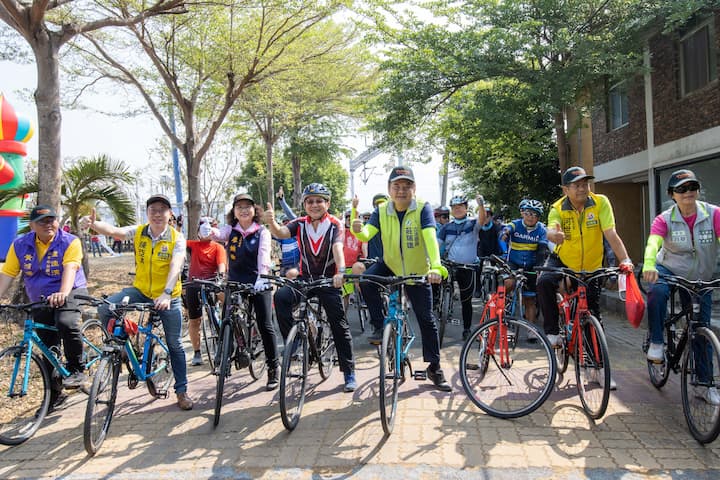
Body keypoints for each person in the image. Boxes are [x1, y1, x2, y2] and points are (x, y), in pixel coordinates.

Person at [81, 194, 193, 410]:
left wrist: (167, 293)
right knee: (106, 308)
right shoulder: (141, 231)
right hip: (141, 290)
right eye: (153, 209)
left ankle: (182, 391)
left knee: (175, 344)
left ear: (170, 214)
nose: (157, 213)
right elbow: (116, 232)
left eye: (162, 209)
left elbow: (176, 266)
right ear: (147, 213)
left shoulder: (176, 238)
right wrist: (94, 224)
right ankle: (118, 346)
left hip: (168, 294)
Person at [352, 166, 452, 392]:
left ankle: (434, 368)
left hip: (417, 270)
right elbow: (366, 234)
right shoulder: (381, 209)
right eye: (396, 186)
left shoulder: (422, 208)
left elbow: (430, 237)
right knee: (366, 280)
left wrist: (435, 266)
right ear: (389, 189)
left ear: (414, 189)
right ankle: (378, 326)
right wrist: (356, 228)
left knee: (426, 319)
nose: (401, 191)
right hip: (390, 264)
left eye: (407, 186)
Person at [537, 167, 633, 390]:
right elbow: (550, 230)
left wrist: (625, 260)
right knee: (543, 282)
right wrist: (554, 235)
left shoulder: (600, 203)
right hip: (563, 261)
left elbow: (611, 234)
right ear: (566, 189)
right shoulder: (558, 208)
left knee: (593, 318)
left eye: (585, 183)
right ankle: (552, 333)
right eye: (577, 185)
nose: (582, 188)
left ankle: (597, 370)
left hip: (591, 267)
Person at [263, 183, 357, 392]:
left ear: (327, 203)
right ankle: (295, 339)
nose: (314, 205)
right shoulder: (299, 223)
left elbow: (338, 248)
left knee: (339, 325)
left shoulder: (335, 224)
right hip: (305, 279)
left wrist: (340, 272)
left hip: (328, 280)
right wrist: (271, 222)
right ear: (304, 204)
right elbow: (281, 231)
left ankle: (349, 371)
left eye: (319, 201)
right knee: (281, 298)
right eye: (310, 201)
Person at [642, 169, 720, 405]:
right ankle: (657, 341)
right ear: (672, 195)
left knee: (701, 330)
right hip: (669, 270)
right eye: (682, 189)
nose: (688, 192)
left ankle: (704, 385)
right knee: (657, 290)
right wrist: (648, 264)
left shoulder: (714, 214)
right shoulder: (664, 218)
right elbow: (653, 243)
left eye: (692, 187)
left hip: (701, 277)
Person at [0, 205, 89, 409]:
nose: (48, 224)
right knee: (46, 344)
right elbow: (7, 274)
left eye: (52, 220)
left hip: (71, 289)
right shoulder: (19, 245)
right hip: (40, 296)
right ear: (31, 225)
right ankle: (54, 396)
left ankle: (77, 368)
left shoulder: (69, 241)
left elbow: (70, 268)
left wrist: (63, 293)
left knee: (66, 322)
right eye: (42, 221)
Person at [208, 194, 280, 390]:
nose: (243, 210)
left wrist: (262, 277)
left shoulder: (262, 231)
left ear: (254, 210)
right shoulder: (230, 230)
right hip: (235, 282)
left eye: (247, 206)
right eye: (239, 207)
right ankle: (225, 358)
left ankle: (273, 367)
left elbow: (264, 255)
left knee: (265, 324)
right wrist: (206, 230)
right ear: (234, 212)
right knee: (227, 319)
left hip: (258, 282)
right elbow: (215, 235)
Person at [438, 195, 486, 341]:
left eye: (460, 206)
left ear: (466, 208)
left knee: (466, 300)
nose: (457, 209)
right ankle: (443, 304)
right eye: (454, 207)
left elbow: (482, 221)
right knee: (442, 288)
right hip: (450, 265)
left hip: (468, 267)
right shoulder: (446, 227)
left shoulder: (472, 224)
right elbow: (437, 244)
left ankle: (466, 329)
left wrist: (481, 206)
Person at [500, 199, 549, 336]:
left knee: (530, 299)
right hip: (513, 263)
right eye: (527, 213)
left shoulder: (541, 229)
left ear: (538, 217)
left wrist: (538, 269)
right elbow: (504, 232)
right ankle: (499, 313)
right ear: (523, 214)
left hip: (531, 265)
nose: (530, 217)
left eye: (534, 214)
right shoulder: (515, 224)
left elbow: (542, 249)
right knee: (508, 283)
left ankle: (531, 329)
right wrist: (504, 236)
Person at [184, 217, 227, 367]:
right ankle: (197, 352)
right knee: (194, 320)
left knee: (223, 302)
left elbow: (221, 264)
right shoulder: (193, 245)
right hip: (193, 285)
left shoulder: (218, 247)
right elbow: (176, 241)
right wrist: (176, 225)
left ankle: (227, 331)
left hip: (211, 283)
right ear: (197, 234)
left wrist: (220, 276)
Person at [341, 203, 368, 311]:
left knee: (360, 284)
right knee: (344, 295)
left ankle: (364, 298)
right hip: (344, 266)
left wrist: (365, 257)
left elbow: (364, 248)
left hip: (355, 265)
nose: (349, 220)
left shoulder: (361, 233)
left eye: (351, 218)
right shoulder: (341, 232)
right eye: (347, 218)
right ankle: (343, 318)